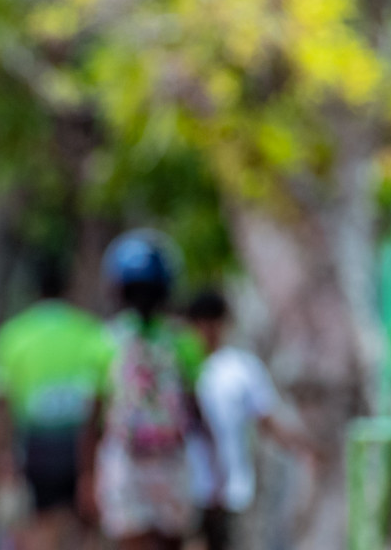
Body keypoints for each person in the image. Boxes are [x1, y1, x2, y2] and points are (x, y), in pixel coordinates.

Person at [81, 230, 210, 550]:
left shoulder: (105, 341)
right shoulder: (184, 342)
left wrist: (86, 474)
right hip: (168, 460)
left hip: (128, 462)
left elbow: (92, 417)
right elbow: (197, 410)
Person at [0, 257, 109, 550]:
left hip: (38, 448)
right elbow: (106, 395)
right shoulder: (91, 331)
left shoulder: (13, 336)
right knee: (86, 528)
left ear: (34, 291)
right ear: (68, 288)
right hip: (85, 447)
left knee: (42, 527)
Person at [184, 290, 314, 550]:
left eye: (212, 321)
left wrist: (305, 447)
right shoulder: (182, 367)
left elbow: (267, 418)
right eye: (199, 322)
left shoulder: (241, 367)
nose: (206, 330)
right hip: (190, 488)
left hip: (235, 490)